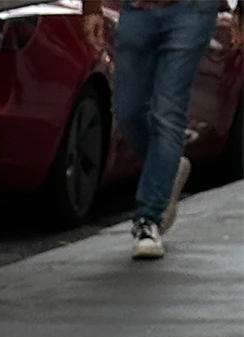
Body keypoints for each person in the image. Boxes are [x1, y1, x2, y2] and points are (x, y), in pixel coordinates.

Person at [84, 0, 218, 259]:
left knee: (167, 112)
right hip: (138, 10)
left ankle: (148, 220)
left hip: (192, 10)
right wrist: (91, 9)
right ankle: (168, 168)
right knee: (128, 112)